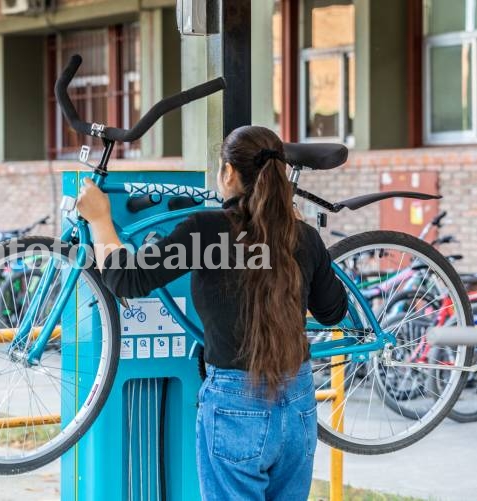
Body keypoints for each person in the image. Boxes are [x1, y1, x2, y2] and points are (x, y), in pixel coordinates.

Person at [76, 125, 348, 500]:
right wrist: (308, 249)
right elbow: (333, 312)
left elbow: (126, 279)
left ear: (229, 174)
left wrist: (100, 220)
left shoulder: (206, 231)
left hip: (236, 405)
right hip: (299, 402)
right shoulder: (302, 236)